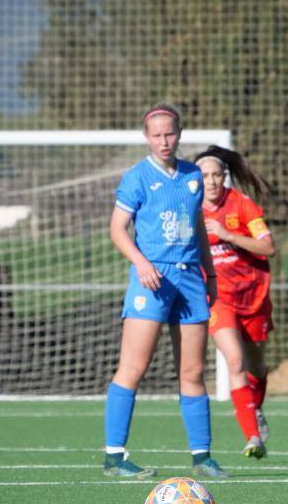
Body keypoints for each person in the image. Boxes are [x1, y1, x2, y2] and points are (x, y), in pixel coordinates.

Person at [103, 102, 227, 480]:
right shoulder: (137, 177)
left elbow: (198, 226)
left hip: (190, 280)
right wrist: (141, 263)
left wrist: (210, 273)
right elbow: (117, 230)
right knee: (133, 367)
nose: (164, 141)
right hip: (151, 280)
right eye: (156, 135)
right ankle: (114, 457)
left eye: (170, 133)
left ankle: (202, 456)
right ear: (146, 137)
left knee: (193, 370)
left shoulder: (192, 175)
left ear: (179, 134)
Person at [196, 146, 276, 459]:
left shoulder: (242, 205)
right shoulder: (190, 209)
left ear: (224, 177)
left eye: (216, 175)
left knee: (256, 365)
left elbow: (267, 247)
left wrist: (227, 235)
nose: (211, 181)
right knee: (234, 360)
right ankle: (252, 437)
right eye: (205, 176)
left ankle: (255, 407)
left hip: (254, 295)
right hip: (218, 298)